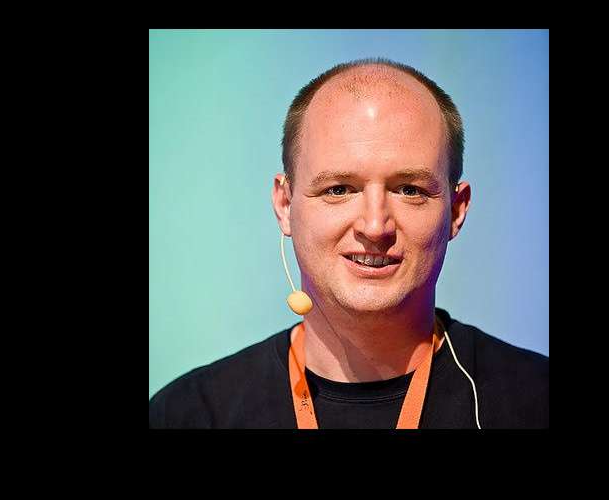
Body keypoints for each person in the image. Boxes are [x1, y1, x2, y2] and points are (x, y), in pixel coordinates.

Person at [149, 58, 548, 429]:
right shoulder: (187, 414)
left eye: (409, 190)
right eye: (339, 189)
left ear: (456, 211)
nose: (374, 226)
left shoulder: (535, 401)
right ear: (285, 205)